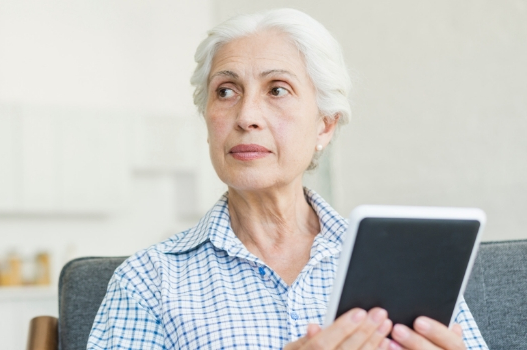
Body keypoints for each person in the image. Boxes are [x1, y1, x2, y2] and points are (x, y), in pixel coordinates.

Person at [87, 8, 487, 350]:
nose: (246, 117)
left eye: (277, 89)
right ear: (207, 121)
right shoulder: (149, 281)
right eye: (225, 92)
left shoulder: (408, 263)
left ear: (325, 126)